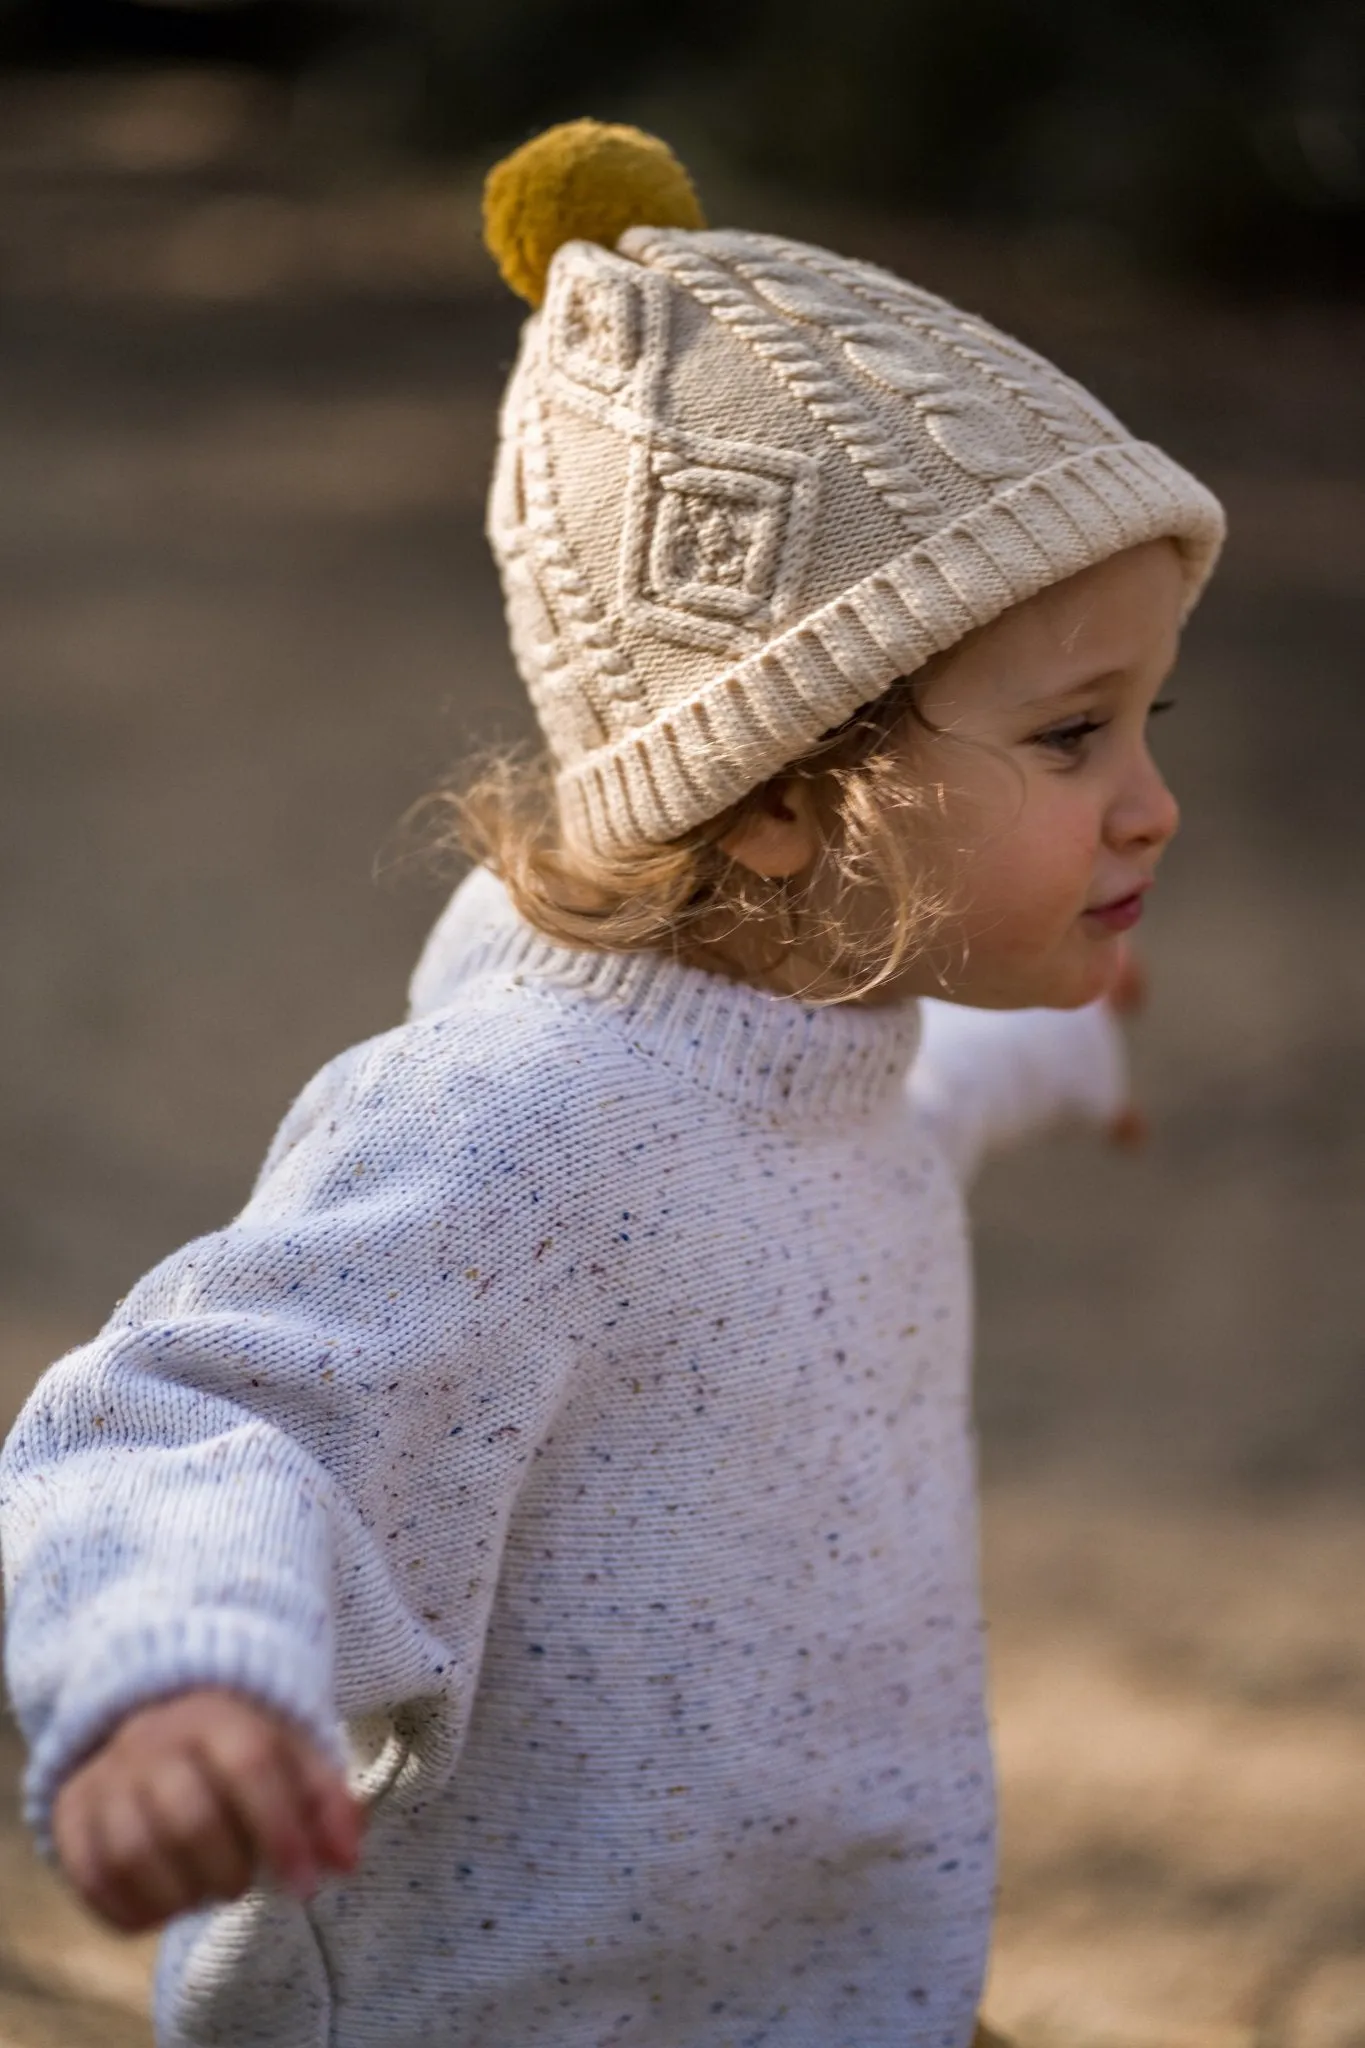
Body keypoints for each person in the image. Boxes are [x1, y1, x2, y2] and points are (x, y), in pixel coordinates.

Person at [0, 121, 1223, 2048]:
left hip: (821, 1994)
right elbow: (200, 1424)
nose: (1152, 797)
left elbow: (892, 1103)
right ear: (771, 802)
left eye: (1155, 711)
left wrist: (1069, 1032)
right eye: (1075, 736)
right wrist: (178, 1680)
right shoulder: (519, 1129)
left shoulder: (829, 1013)